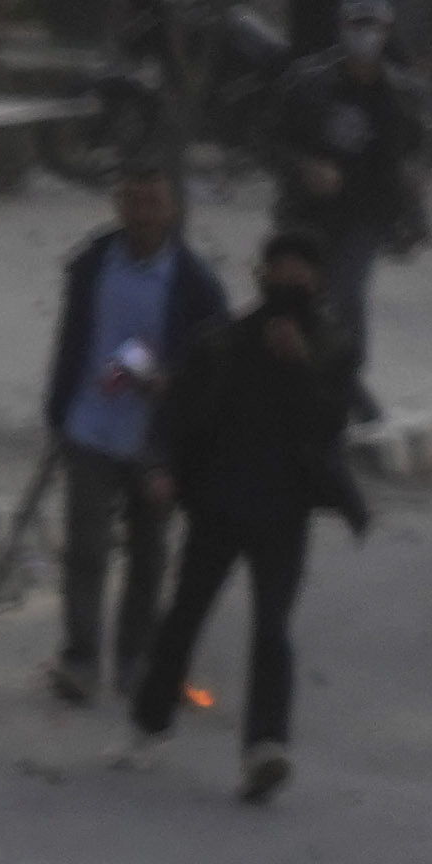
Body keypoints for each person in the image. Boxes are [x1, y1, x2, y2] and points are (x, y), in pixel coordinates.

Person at [129, 232, 374, 803]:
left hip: (283, 514)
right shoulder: (222, 342)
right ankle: (148, 722)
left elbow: (330, 426)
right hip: (217, 503)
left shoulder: (334, 349)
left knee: (271, 629)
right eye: (279, 271)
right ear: (260, 275)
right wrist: (160, 468)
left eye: (300, 274)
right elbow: (177, 414)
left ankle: (266, 748)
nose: (289, 284)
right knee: (184, 616)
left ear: (314, 283)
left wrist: (301, 365)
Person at [35, 164, 227, 702]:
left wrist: (173, 387)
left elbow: (215, 364)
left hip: (155, 440)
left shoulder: (195, 284)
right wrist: (58, 410)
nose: (141, 215)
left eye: (153, 203)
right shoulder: (92, 263)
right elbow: (70, 340)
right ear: (118, 205)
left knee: (147, 555)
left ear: (172, 209)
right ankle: (79, 658)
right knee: (86, 549)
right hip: (89, 426)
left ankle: (136, 660)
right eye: (132, 202)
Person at [255, 0, 421, 387]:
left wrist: (411, 215)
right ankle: (285, 376)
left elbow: (405, 161)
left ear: (386, 32)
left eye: (373, 26)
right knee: (293, 296)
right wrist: (303, 168)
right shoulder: (308, 83)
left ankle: (345, 382)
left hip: (363, 217)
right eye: (357, 25)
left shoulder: (398, 94)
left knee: (347, 295)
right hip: (305, 213)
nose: (365, 35)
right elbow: (265, 140)